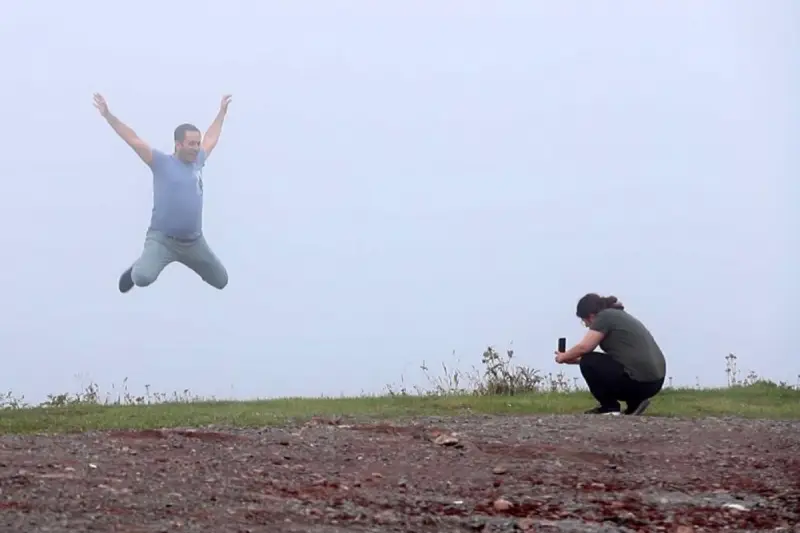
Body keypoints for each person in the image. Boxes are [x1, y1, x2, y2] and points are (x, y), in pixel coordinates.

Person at [93, 93, 232, 293]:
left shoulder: (199, 160)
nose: (196, 148)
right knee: (142, 278)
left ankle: (186, 259)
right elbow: (133, 140)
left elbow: (211, 137)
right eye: (191, 144)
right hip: (163, 240)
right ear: (178, 144)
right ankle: (138, 266)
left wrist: (221, 113)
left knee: (222, 280)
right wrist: (108, 116)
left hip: (194, 243)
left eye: (197, 144)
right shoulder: (161, 163)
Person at [555, 293, 666, 415]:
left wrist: (563, 357)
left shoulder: (604, 317)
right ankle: (635, 403)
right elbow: (617, 360)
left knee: (588, 360)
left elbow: (584, 347)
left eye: (584, 321)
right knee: (589, 361)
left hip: (640, 382)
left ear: (591, 316)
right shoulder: (618, 315)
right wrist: (574, 360)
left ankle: (609, 407)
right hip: (654, 382)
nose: (586, 325)